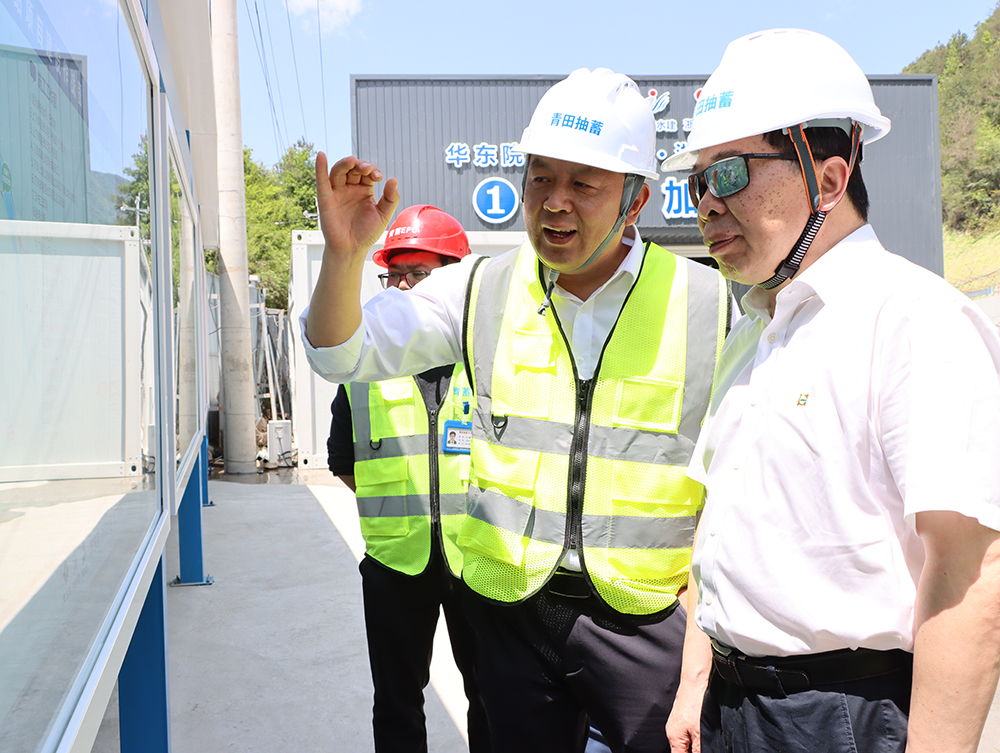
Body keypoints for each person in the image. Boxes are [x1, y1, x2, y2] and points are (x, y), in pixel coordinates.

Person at [302, 68, 732, 753]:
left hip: (646, 620)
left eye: (584, 184)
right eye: (540, 178)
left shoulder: (711, 304)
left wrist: (703, 650)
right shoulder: (479, 288)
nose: (555, 202)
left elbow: (738, 490)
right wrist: (344, 258)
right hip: (511, 612)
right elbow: (340, 352)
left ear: (636, 199)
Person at [658, 28, 1000, 753]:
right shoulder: (755, 330)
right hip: (730, 703)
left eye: (729, 174)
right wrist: (696, 681)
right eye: (696, 181)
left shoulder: (913, 320)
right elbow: (719, 536)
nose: (705, 205)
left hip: (839, 716)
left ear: (831, 178)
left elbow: (973, 575)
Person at [325, 205, 490, 752]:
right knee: (396, 699)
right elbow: (343, 461)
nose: (400, 287)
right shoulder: (364, 367)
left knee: (491, 695)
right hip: (395, 563)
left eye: (417, 273)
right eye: (393, 275)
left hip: (481, 561)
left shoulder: (490, 361)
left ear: (455, 278)